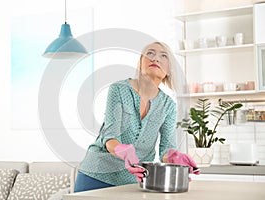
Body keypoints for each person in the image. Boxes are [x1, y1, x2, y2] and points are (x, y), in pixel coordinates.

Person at [74, 42, 199, 193]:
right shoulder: (119, 89)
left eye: (163, 55)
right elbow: (110, 136)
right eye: (150, 53)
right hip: (96, 173)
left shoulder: (168, 105)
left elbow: (166, 148)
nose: (156, 58)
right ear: (140, 64)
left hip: (132, 181)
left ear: (168, 71)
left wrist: (174, 156)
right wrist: (122, 149)